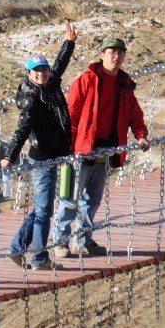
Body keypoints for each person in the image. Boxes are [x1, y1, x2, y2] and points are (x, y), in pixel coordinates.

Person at [55, 36, 149, 258]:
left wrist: (141, 135)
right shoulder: (86, 80)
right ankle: (60, 242)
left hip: (107, 150)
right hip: (81, 150)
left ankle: (84, 239)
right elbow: (71, 115)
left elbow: (135, 114)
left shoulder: (124, 84)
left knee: (93, 199)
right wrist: (68, 147)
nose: (116, 56)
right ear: (102, 54)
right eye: (111, 52)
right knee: (70, 198)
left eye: (120, 52)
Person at [1, 22, 78, 269]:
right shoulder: (31, 99)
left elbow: (60, 65)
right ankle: (39, 258)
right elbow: (22, 129)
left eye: (43, 70)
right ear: (28, 74)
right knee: (44, 211)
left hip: (55, 154)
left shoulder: (50, 84)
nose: (41, 74)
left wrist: (69, 43)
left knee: (42, 209)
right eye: (36, 71)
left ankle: (17, 247)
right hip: (42, 157)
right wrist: (9, 157)